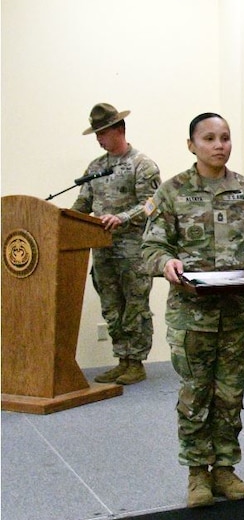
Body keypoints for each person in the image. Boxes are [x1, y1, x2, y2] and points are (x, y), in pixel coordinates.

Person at [142, 112, 244, 508]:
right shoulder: (172, 192)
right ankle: (197, 473)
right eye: (209, 138)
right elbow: (151, 249)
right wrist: (166, 264)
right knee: (196, 394)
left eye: (225, 137)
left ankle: (225, 469)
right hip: (192, 314)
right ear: (191, 144)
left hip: (238, 312)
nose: (219, 145)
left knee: (229, 395)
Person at [71, 102, 161, 386]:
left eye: (103, 132)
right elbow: (83, 204)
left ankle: (135, 363)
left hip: (133, 250)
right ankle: (122, 360)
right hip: (102, 251)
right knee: (111, 308)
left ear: (119, 129)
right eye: (96, 133)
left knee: (134, 307)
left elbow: (152, 205)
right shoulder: (96, 168)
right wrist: (61, 220)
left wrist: (122, 218)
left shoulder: (142, 165)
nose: (98, 138)